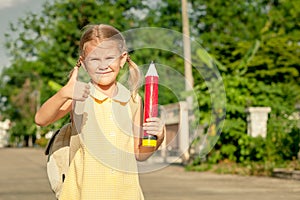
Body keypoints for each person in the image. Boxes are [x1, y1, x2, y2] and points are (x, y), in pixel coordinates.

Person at [35, 24, 165, 200]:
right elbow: (41, 119)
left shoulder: (133, 100)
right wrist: (64, 93)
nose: (103, 66)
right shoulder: (78, 95)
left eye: (109, 58)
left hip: (125, 193)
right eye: (95, 59)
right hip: (84, 193)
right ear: (83, 62)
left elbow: (139, 154)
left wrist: (159, 138)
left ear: (122, 58)